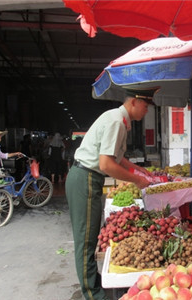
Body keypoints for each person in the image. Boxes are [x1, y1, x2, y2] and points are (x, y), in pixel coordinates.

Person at [65, 88, 155, 300]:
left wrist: (136, 168)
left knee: (90, 235)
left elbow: (115, 156)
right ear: (134, 102)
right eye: (145, 105)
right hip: (85, 178)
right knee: (85, 240)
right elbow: (106, 164)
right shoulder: (117, 121)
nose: (147, 110)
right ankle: (92, 294)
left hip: (87, 178)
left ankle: (94, 283)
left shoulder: (120, 120)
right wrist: (137, 180)